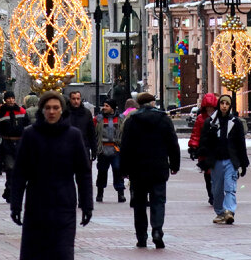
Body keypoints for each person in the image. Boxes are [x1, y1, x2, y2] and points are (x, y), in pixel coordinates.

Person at [9, 91, 92, 260]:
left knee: (64, 258)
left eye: (55, 108)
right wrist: (15, 204)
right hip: (38, 204)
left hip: (64, 203)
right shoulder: (30, 134)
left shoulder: (73, 135)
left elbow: (83, 172)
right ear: (42, 110)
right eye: (48, 108)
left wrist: (87, 204)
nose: (52, 112)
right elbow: (20, 173)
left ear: (62, 110)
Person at [118, 92, 179, 248]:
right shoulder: (164, 119)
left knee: (139, 203)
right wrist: (174, 164)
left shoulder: (132, 120)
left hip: (137, 169)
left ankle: (141, 236)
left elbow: (125, 146)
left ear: (138, 104)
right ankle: (157, 230)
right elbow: (173, 143)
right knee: (158, 200)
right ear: (153, 103)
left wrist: (123, 168)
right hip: (158, 167)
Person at [198, 94, 249, 224]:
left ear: (230, 106)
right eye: (222, 104)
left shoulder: (235, 122)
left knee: (230, 187)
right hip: (216, 161)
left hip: (230, 161)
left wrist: (243, 162)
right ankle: (220, 212)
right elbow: (204, 142)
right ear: (219, 105)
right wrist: (203, 159)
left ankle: (229, 211)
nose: (224, 106)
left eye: (227, 104)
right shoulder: (211, 122)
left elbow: (240, 144)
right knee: (217, 189)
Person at [0, 90, 29, 202]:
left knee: (19, 170)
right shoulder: (0, 114)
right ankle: (11, 190)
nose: (11, 100)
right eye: (8, 98)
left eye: (12, 98)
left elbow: (27, 127)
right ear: (5, 100)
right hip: (7, 144)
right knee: (10, 168)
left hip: (20, 144)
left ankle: (10, 190)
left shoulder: (22, 111)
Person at [188, 92, 219, 203]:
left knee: (217, 172)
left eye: (211, 107)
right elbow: (196, 133)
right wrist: (193, 147)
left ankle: (216, 193)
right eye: (208, 107)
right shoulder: (201, 118)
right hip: (205, 150)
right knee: (208, 173)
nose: (209, 110)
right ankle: (211, 194)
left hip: (217, 149)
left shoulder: (219, 117)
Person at [94, 99, 125, 202]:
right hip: (103, 149)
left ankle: (121, 193)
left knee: (118, 170)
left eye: (107, 106)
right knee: (102, 171)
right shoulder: (98, 119)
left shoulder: (121, 119)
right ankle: (100, 193)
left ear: (112, 107)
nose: (104, 107)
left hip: (116, 149)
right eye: (104, 105)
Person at [64, 91, 97, 162]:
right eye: (73, 99)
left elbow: (91, 133)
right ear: (70, 99)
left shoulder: (87, 113)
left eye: (78, 99)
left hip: (83, 147)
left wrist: (94, 149)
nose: (76, 101)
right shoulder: (64, 113)